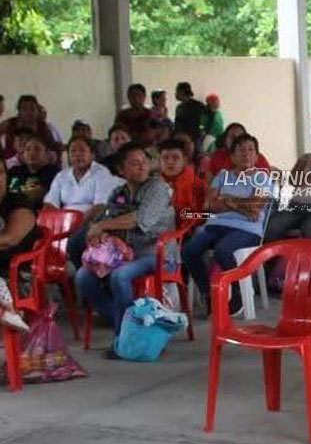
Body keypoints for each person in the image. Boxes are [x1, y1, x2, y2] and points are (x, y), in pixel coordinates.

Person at [74, 144, 175, 356]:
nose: (142, 166)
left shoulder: (157, 188)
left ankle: (123, 339)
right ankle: (135, 324)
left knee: (120, 276)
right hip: (122, 253)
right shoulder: (118, 192)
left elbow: (140, 219)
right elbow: (103, 219)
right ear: (121, 170)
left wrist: (102, 226)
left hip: (155, 253)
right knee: (83, 277)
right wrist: (100, 231)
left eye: (144, 162)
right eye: (134, 163)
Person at [181, 134, 271, 318]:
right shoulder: (223, 176)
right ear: (233, 157)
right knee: (189, 250)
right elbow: (209, 205)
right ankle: (209, 293)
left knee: (223, 250)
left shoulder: (261, 178)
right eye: (241, 150)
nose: (246, 154)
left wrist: (227, 198)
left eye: (251, 150)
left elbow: (255, 208)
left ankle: (238, 293)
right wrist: (243, 205)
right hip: (217, 224)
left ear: (256, 156)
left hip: (247, 229)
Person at [0, 161, 39, 332]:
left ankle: (9, 312)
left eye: (0, 172)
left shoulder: (18, 202)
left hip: (15, 275)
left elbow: (10, 239)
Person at [44, 136, 121, 218]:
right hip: (65, 220)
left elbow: (100, 206)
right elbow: (50, 203)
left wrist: (78, 222)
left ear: (92, 155)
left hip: (93, 220)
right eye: (73, 151)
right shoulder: (62, 176)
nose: (77, 155)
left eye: (82, 150)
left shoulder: (101, 173)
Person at [156, 139, 205, 221]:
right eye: (165, 158)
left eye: (175, 157)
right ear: (159, 161)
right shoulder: (152, 184)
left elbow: (203, 216)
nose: (170, 162)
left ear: (185, 160)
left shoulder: (198, 185)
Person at [1, 95, 62, 161]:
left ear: (37, 111)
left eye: (32, 109)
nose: (28, 112)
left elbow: (52, 146)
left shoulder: (43, 126)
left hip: (36, 162)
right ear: (19, 112)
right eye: (24, 109)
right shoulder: (10, 124)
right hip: (11, 162)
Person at [7, 135, 60, 209]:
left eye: (37, 149)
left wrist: (18, 192)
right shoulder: (15, 171)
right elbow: (9, 193)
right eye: (27, 149)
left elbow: (37, 194)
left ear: (47, 153)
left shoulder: (54, 172)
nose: (31, 153)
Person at [201, 123, 271, 179]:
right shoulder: (217, 156)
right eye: (232, 137)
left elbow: (264, 180)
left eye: (240, 137)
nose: (236, 140)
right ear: (225, 140)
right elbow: (209, 178)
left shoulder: (256, 156)